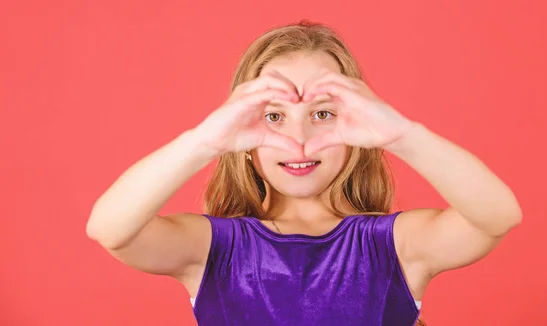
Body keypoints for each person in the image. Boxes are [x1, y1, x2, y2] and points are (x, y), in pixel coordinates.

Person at [86, 21, 522, 326]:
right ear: (241, 131)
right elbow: (110, 229)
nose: (299, 138)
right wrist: (204, 141)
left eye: (323, 114)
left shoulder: (395, 245)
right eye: (274, 116)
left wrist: (403, 135)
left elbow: (497, 216)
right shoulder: (211, 249)